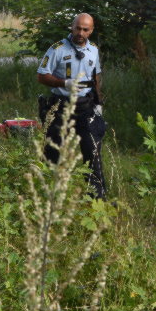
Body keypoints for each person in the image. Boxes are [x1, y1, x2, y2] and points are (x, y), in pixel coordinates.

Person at [36, 13, 106, 199]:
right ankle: (48, 195)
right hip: (61, 105)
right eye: (77, 28)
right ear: (72, 27)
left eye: (85, 29)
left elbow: (96, 77)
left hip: (85, 106)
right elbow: (41, 75)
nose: (80, 33)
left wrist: (99, 103)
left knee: (92, 152)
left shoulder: (94, 50)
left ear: (91, 31)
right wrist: (63, 83)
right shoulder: (57, 48)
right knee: (53, 151)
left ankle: (97, 198)